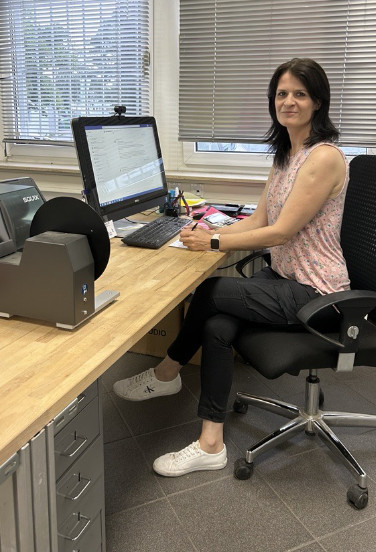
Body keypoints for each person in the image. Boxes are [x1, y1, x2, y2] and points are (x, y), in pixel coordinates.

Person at [113, 58, 350, 477]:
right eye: (281, 93)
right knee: (216, 326)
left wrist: (215, 241)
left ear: (318, 101)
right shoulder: (286, 155)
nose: (288, 101)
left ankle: (167, 372)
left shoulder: (324, 158)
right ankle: (211, 444)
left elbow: (280, 233)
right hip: (283, 278)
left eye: (299, 93)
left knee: (208, 292)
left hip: (318, 293)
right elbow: (259, 220)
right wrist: (206, 229)